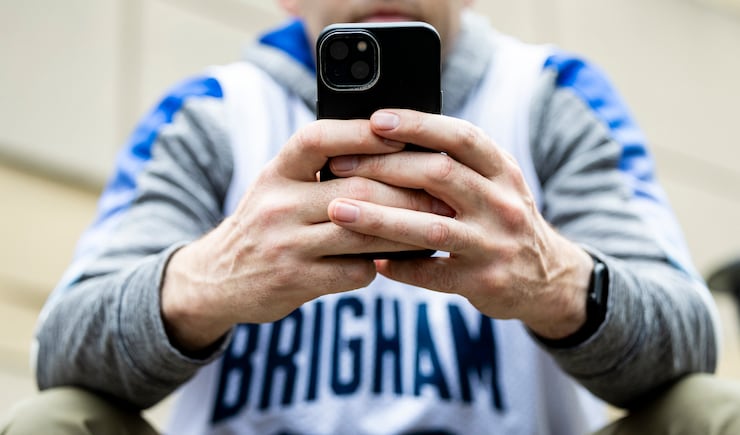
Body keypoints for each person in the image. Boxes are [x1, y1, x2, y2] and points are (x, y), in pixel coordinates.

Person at [3, 0, 739, 434]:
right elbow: (62, 348)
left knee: (707, 410)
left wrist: (557, 279)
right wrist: (208, 278)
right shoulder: (213, 113)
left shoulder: (549, 95)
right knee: (53, 421)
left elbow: (690, 339)